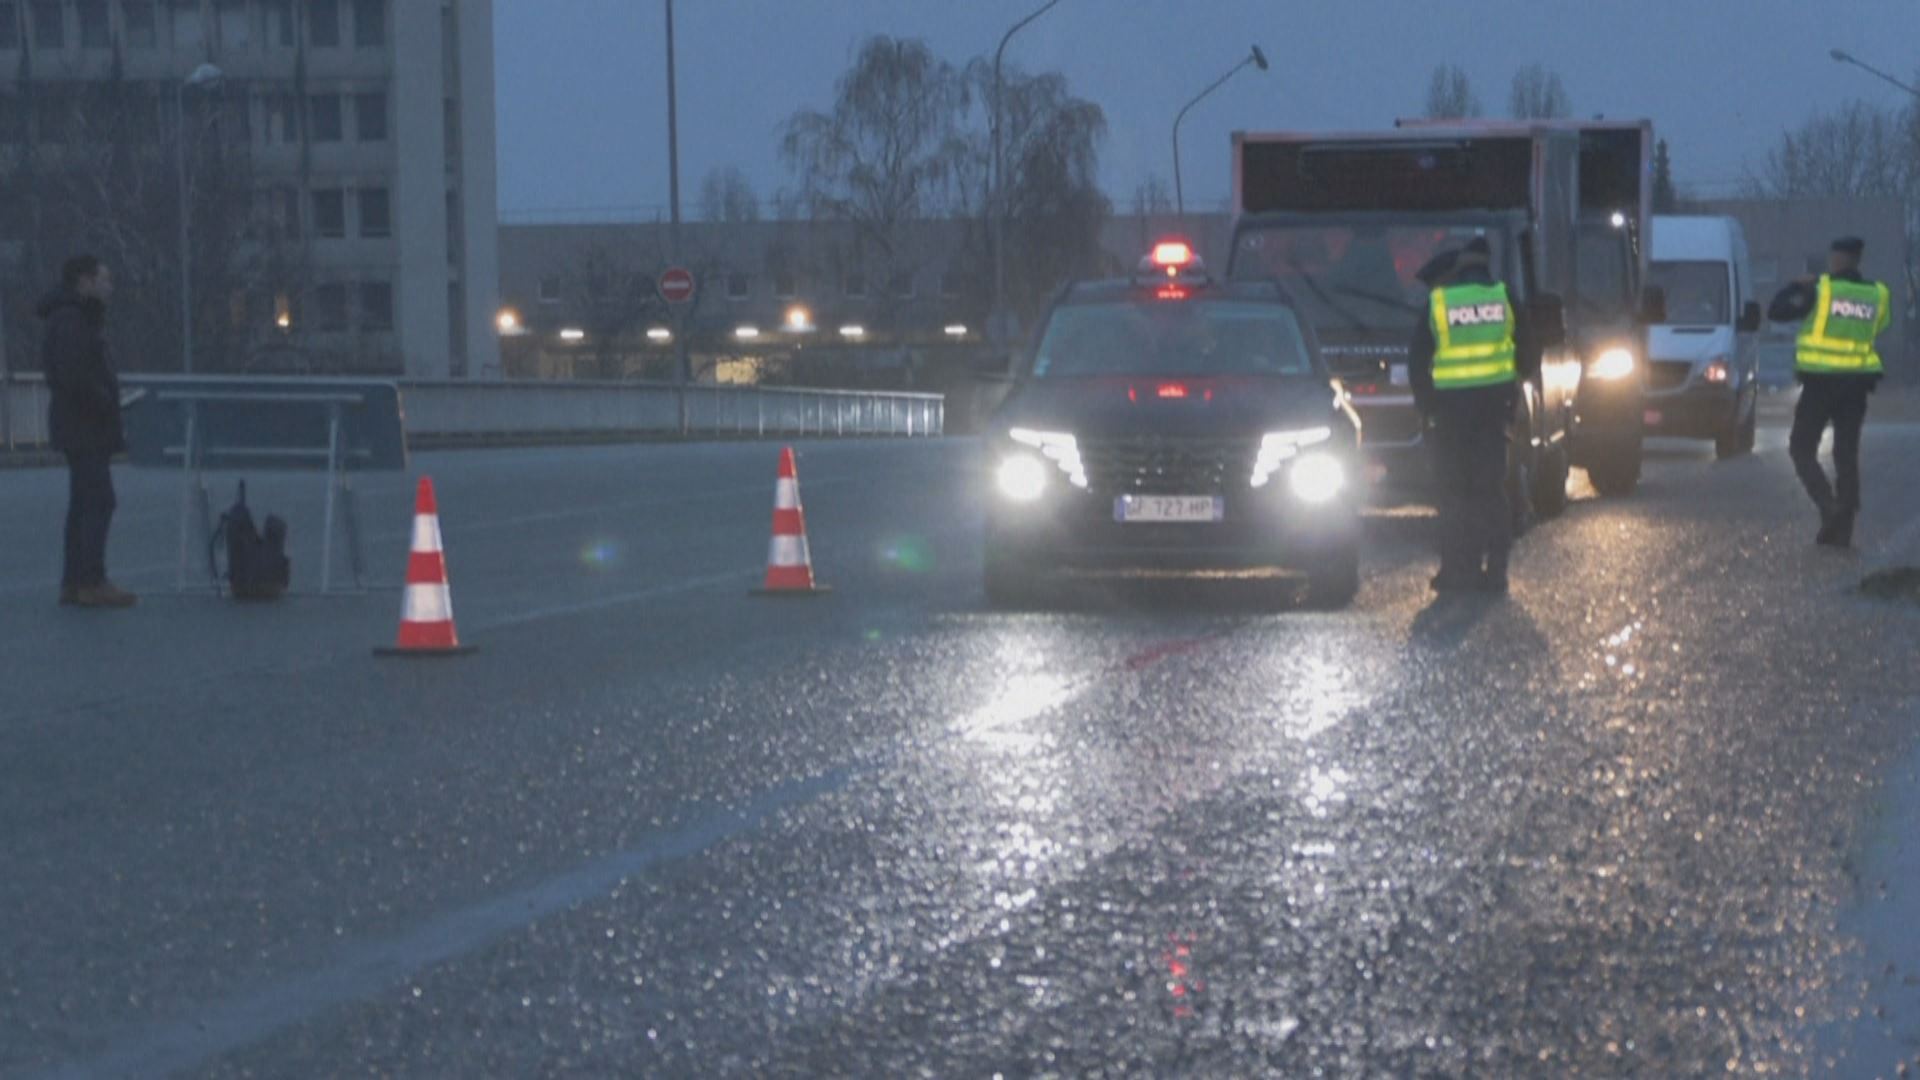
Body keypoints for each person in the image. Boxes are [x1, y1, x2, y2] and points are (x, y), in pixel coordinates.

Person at [1409, 236, 1534, 595]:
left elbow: (1417, 359)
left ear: (1460, 265)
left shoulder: (1440, 302)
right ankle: (1496, 570)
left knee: (1453, 492)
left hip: (1449, 415)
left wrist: (1427, 405)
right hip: (1494, 413)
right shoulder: (1505, 298)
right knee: (1490, 490)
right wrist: (1511, 385)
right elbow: (1528, 354)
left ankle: (1455, 570)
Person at [1768, 236, 1891, 549]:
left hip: (1821, 383)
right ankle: (1843, 526)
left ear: (1836, 259)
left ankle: (1828, 506)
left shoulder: (1820, 290)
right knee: (1846, 454)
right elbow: (1879, 327)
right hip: (1856, 385)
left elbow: (1777, 311)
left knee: (1801, 448)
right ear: (1858, 260)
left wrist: (1796, 286)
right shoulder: (1878, 294)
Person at [40, 255, 135, 608]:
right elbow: (75, 375)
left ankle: (75, 581)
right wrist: (104, 401)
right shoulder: (74, 320)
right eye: (103, 279)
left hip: (75, 424)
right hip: (85, 424)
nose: (109, 287)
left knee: (83, 502)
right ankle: (91, 580)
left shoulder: (67, 317)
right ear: (84, 281)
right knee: (98, 500)